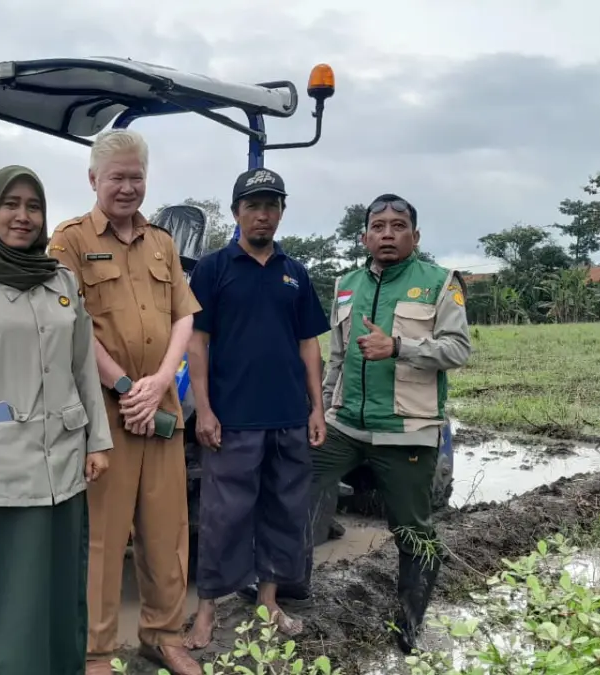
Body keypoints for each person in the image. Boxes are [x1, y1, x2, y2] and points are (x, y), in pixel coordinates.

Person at [0, 165, 113, 675]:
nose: (23, 216)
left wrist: (97, 441)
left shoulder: (62, 282)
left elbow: (83, 367)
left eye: (33, 206)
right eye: (11, 204)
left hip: (63, 469)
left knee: (56, 595)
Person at [47, 128, 204, 675]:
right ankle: (94, 650)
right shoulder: (67, 241)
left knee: (167, 532)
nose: (128, 187)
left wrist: (162, 381)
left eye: (137, 177)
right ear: (94, 179)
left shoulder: (162, 243)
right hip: (104, 415)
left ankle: (164, 635)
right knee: (102, 538)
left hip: (161, 411)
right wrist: (122, 387)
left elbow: (184, 315)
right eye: (117, 177)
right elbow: (70, 322)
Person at [316, 193, 472, 653]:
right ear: (364, 236)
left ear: (415, 236)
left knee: (412, 529)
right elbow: (337, 359)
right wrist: (322, 410)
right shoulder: (346, 285)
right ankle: (278, 586)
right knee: (291, 487)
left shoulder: (441, 283)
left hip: (406, 428)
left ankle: (410, 619)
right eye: (378, 226)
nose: (387, 233)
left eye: (397, 226)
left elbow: (458, 350)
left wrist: (399, 346)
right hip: (344, 425)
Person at [182, 167, 329, 648]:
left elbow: (309, 345)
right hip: (233, 419)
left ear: (281, 212)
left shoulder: (296, 273)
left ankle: (268, 600)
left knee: (283, 513)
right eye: (253, 206)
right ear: (236, 213)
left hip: (288, 416)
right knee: (224, 519)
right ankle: (206, 611)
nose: (262, 215)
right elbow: (197, 344)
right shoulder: (214, 269)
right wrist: (203, 408)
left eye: (271, 205)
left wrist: (316, 408)